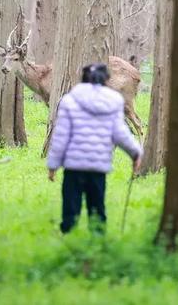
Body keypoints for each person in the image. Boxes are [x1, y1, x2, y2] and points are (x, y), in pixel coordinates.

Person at [47, 63, 143, 234]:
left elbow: (61, 136)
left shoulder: (69, 100)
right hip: (98, 167)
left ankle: (68, 237)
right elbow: (121, 133)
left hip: (73, 167)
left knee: (70, 206)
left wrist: (53, 165)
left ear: (83, 79)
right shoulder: (113, 102)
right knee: (97, 206)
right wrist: (136, 154)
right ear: (106, 79)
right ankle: (97, 240)